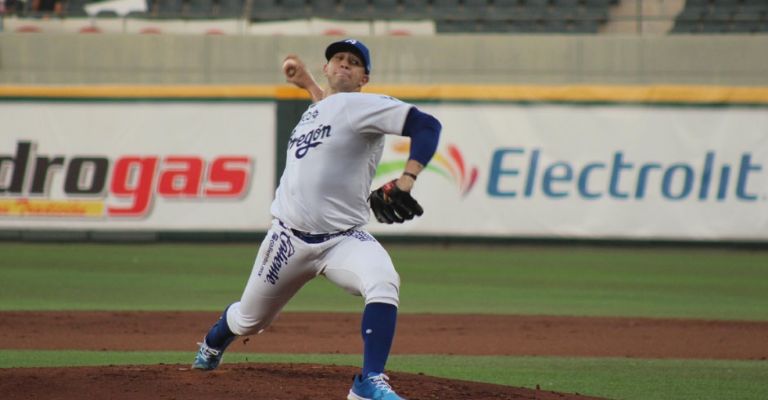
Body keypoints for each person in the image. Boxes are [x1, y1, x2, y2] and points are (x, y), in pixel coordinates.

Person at [191, 38, 442, 400]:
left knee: (384, 280)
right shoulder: (319, 108)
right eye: (337, 59)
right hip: (287, 240)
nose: (343, 64)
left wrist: (407, 179)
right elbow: (329, 108)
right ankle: (212, 344)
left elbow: (427, 125)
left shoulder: (364, 106)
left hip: (343, 239)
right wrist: (307, 82)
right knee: (249, 319)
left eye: (353, 62)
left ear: (364, 78)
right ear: (326, 69)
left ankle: (368, 383)